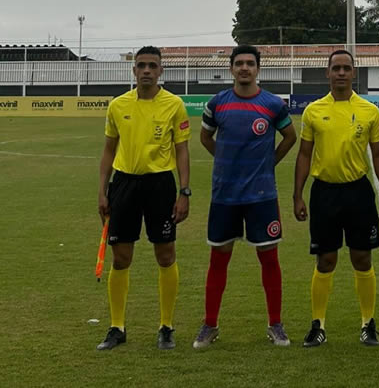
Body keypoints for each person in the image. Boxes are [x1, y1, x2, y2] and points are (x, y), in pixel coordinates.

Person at [193, 45, 297, 348]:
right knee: (218, 259)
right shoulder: (217, 103)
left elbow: (290, 136)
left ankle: (275, 324)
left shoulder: (273, 105)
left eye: (250, 63)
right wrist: (226, 164)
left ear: (258, 68)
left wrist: (269, 163)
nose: (244, 68)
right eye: (239, 63)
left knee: (269, 260)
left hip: (261, 196)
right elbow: (205, 137)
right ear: (231, 69)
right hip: (225, 195)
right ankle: (209, 325)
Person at [96, 45, 191, 350]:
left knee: (165, 255)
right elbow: (109, 149)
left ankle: (166, 326)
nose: (147, 70)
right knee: (121, 257)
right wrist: (103, 189)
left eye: (152, 65)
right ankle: (117, 327)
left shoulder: (174, 105)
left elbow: (182, 149)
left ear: (161, 70)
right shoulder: (118, 105)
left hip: (160, 185)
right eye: (141, 65)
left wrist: (184, 191)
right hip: (123, 184)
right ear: (133, 70)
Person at [293, 50, 379, 347]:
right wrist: (298, 194)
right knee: (326, 259)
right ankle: (317, 324)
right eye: (336, 68)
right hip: (324, 193)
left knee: (362, 258)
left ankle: (368, 323)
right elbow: (305, 154)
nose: (342, 73)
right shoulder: (313, 111)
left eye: (347, 68)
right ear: (328, 73)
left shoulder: (370, 110)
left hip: (358, 191)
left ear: (354, 73)